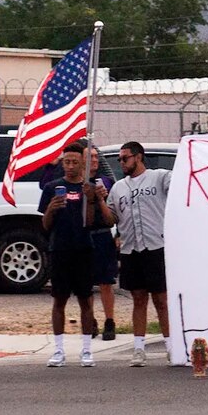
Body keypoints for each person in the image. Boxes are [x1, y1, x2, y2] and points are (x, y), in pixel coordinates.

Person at [102, 141, 173, 367]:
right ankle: (139, 348)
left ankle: (171, 347)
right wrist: (98, 200)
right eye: (120, 159)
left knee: (161, 299)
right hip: (131, 248)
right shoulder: (118, 188)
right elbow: (111, 218)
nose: (121, 162)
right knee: (138, 299)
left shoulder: (159, 177)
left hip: (155, 246)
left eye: (125, 158)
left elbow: (180, 186)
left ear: (138, 157)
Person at [38, 143, 100, 368]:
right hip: (59, 249)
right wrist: (51, 208)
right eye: (67, 162)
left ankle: (86, 349)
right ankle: (58, 349)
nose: (70, 166)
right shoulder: (52, 188)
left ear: (83, 163)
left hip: (83, 248)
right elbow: (45, 226)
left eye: (75, 162)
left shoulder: (88, 187)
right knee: (59, 300)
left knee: (85, 300)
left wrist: (91, 199)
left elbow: (91, 223)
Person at [84, 144, 118, 341]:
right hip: (84, 236)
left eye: (97, 157)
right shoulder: (77, 182)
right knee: (86, 282)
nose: (95, 160)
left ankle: (110, 321)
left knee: (106, 281)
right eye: (91, 157)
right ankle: (91, 320)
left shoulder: (104, 180)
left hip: (103, 234)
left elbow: (117, 209)